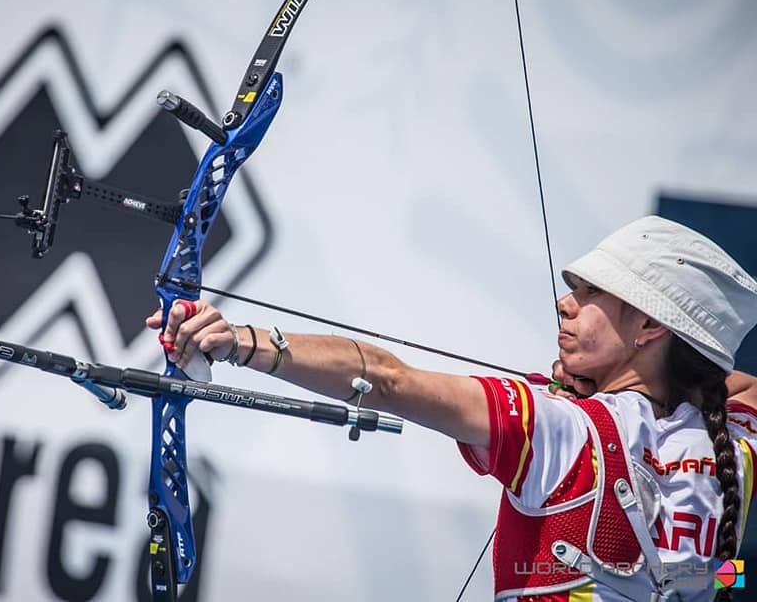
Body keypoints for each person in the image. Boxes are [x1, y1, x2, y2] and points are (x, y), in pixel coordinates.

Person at [148, 215, 757, 601]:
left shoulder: (561, 430)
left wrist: (240, 343)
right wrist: (668, 383)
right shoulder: (735, 446)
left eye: (591, 293)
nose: (565, 305)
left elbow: (385, 379)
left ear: (649, 324)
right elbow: (739, 384)